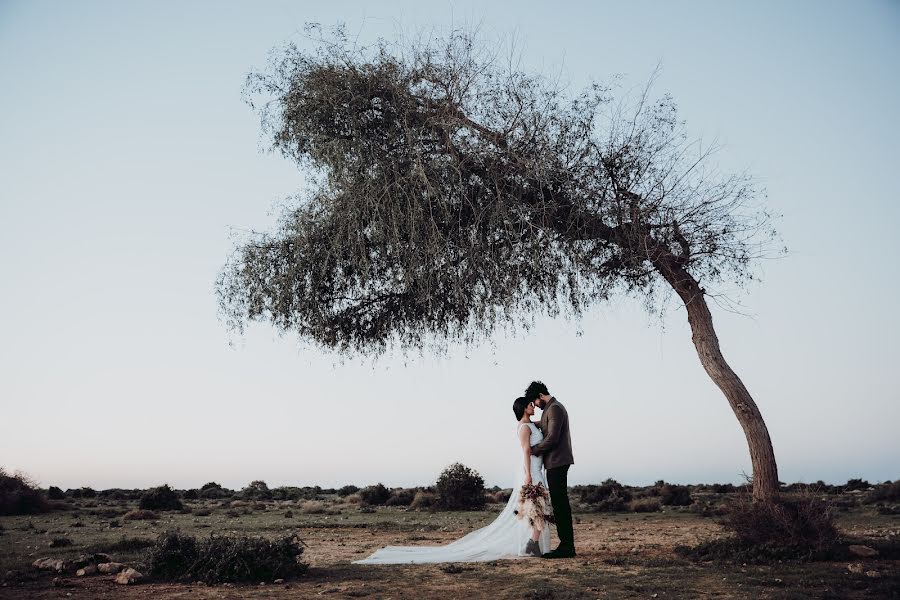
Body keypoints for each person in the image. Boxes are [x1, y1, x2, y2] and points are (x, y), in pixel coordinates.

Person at [353, 397, 551, 564]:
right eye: (531, 405)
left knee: (535, 507)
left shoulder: (531, 425)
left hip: (535, 468)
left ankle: (531, 543)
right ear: (524, 408)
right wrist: (528, 474)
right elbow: (525, 450)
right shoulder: (524, 427)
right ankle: (530, 544)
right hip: (531, 469)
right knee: (536, 506)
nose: (534, 406)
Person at [525, 380, 576, 558]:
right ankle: (566, 545)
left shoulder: (555, 408)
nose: (536, 406)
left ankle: (567, 547)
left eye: (535, 401)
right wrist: (528, 423)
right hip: (555, 462)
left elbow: (552, 437)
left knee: (560, 504)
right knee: (558, 503)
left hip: (558, 461)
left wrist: (533, 450)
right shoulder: (551, 409)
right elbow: (544, 424)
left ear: (540, 396)